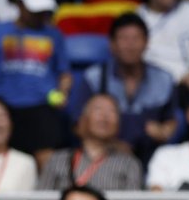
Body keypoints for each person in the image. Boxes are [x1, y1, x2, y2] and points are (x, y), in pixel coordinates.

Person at [0, 0, 71, 166]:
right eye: (34, 9)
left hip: (41, 106)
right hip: (4, 106)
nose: (39, 14)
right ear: (19, 3)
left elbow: (64, 72)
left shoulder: (54, 35)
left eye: (43, 10)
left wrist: (63, 92)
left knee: (46, 160)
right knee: (1, 160)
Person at [67, 13, 178, 163]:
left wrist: (163, 132)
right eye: (124, 39)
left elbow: (171, 120)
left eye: (136, 38)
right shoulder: (94, 77)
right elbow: (78, 125)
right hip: (102, 157)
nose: (130, 45)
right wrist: (112, 146)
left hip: (152, 157)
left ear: (146, 42)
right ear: (112, 44)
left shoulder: (164, 79)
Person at [37, 93, 143, 200]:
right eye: (98, 109)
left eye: (112, 111)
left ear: (119, 124)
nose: (105, 117)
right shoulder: (58, 159)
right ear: (82, 120)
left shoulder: (130, 163)